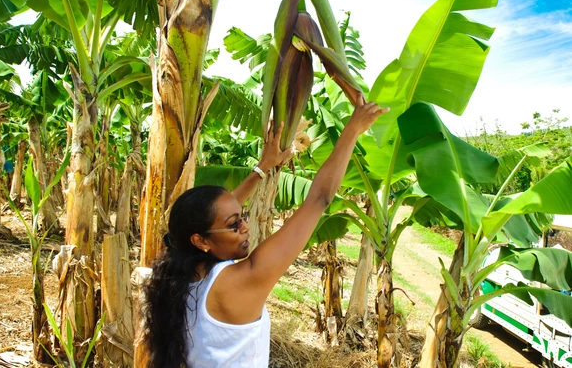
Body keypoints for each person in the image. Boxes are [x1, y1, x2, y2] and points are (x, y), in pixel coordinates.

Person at [145, 95, 389, 368]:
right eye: (235, 224)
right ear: (201, 240)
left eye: (243, 217)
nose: (244, 226)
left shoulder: (180, 266)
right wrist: (353, 129)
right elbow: (319, 198)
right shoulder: (239, 281)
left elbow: (217, 214)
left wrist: (263, 167)